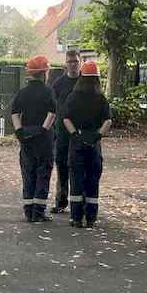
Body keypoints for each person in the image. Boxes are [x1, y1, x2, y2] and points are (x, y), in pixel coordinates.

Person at [61, 61, 112, 228]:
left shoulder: (73, 97)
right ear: (97, 78)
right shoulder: (101, 98)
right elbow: (108, 121)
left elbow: (66, 118)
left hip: (77, 142)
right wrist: (98, 135)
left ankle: (76, 217)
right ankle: (91, 218)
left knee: (76, 179)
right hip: (94, 143)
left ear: (81, 77)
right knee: (92, 180)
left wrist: (74, 134)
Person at [10, 55, 57, 222]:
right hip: (44, 138)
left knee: (28, 172)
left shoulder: (22, 92)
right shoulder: (48, 91)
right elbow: (52, 113)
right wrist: (43, 129)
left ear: (30, 73)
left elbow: (15, 113)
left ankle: (28, 211)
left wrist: (19, 132)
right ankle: (38, 212)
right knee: (43, 173)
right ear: (44, 73)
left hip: (26, 136)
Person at [50, 49, 82, 214]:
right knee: (61, 165)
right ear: (66, 63)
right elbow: (51, 106)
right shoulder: (59, 83)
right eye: (70, 61)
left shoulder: (86, 81)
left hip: (81, 131)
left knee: (79, 167)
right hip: (62, 132)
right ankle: (61, 201)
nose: (73, 64)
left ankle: (79, 202)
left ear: (80, 62)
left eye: (75, 61)